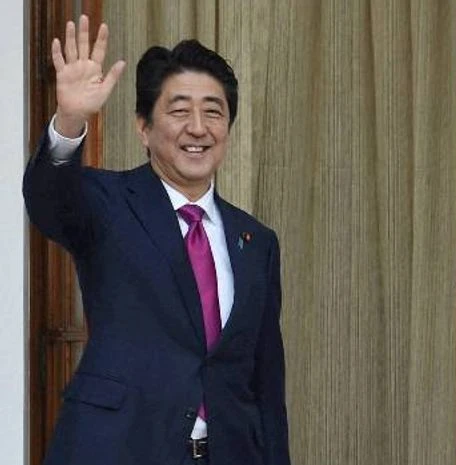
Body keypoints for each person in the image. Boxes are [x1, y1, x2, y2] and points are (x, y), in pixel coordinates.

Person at [23, 15, 290, 465]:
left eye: (213, 111)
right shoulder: (107, 203)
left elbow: (265, 383)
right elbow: (49, 201)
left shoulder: (256, 241)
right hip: (118, 449)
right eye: (180, 110)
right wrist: (69, 120)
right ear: (143, 127)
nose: (198, 127)